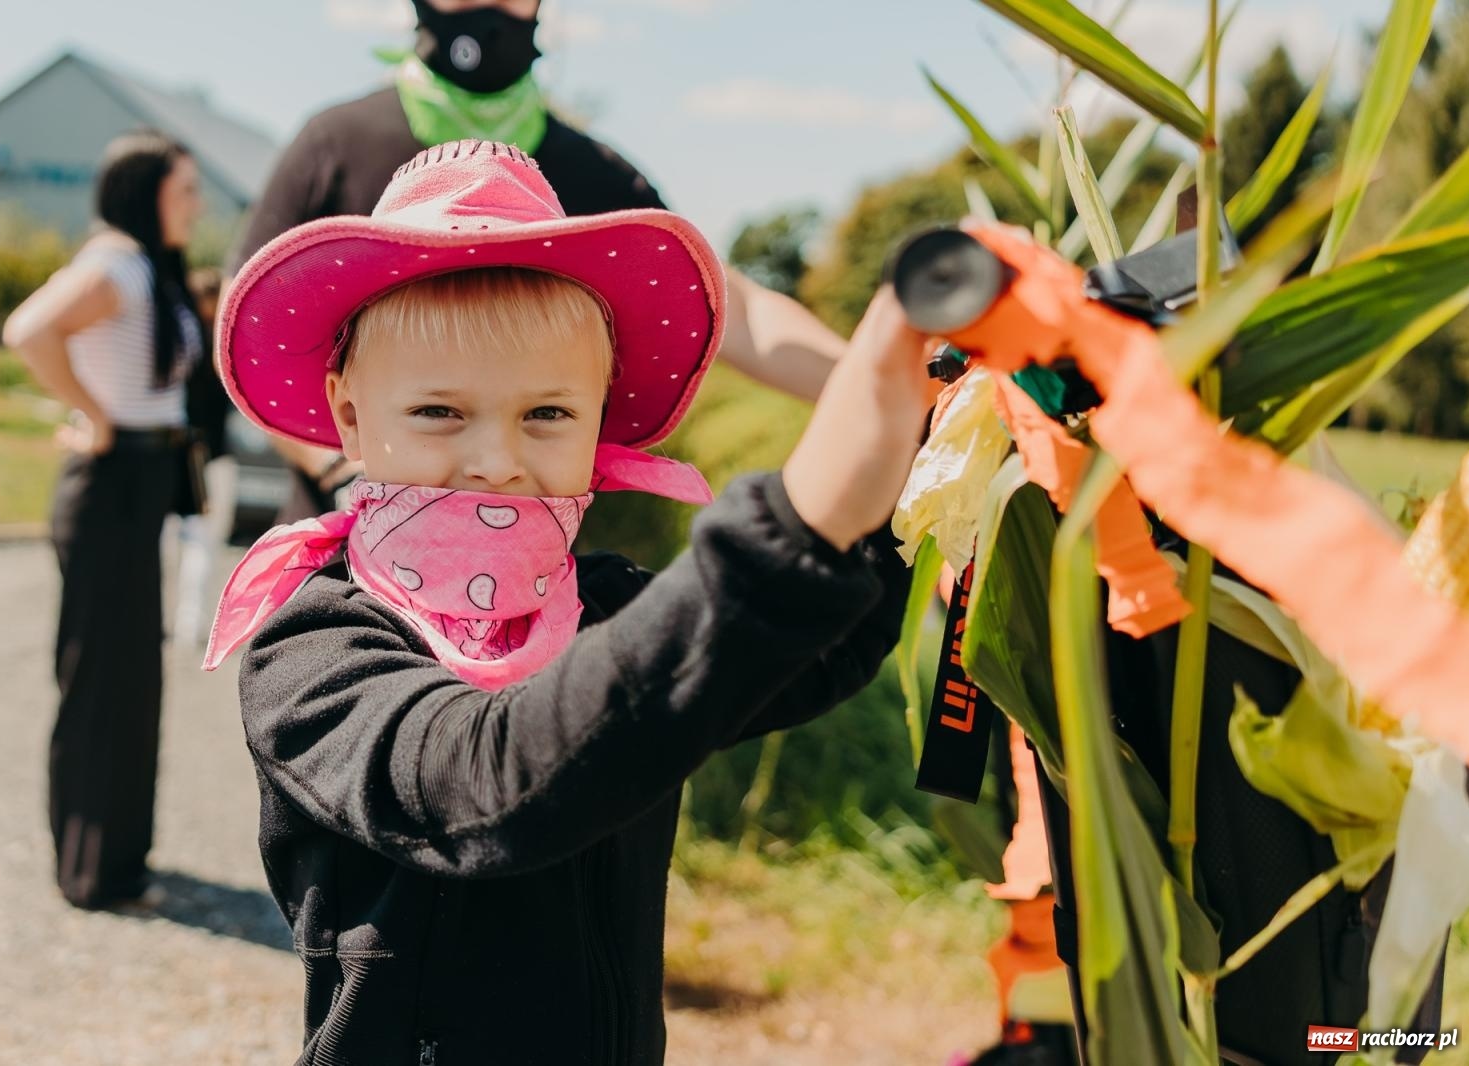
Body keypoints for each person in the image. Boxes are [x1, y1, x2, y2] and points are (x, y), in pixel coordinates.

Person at [201, 140, 926, 1064]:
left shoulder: (606, 603)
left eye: (547, 414)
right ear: (350, 416)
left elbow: (814, 656)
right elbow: (483, 780)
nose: (496, 460)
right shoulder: (315, 644)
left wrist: (907, 488)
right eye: (438, 412)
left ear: (599, 416)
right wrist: (782, 532)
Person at [229, 0, 848, 521]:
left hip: (537, 563)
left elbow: (739, 311)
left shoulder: (592, 172)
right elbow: (245, 328)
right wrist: (339, 470)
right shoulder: (334, 144)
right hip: (346, 542)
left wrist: (892, 391)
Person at [4, 130, 204, 909]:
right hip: (111, 482)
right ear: (146, 193)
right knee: (99, 682)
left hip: (143, 485)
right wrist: (91, 415)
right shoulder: (116, 263)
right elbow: (29, 330)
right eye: (185, 190)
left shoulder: (149, 266)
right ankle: (90, 873)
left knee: (132, 677)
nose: (195, 205)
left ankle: (119, 859)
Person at [173, 266, 232, 647]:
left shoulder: (180, 344)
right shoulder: (219, 349)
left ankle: (173, 621)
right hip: (212, 456)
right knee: (204, 543)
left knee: (175, 543)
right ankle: (190, 624)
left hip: (176, 452)